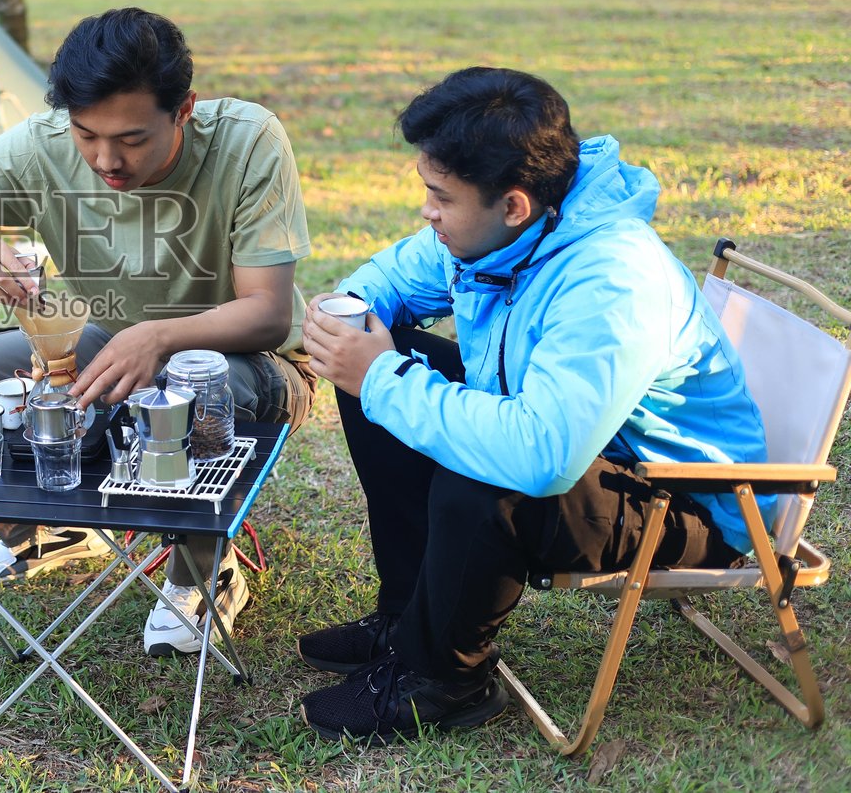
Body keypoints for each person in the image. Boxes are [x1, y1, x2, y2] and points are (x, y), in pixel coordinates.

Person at [295, 66, 769, 742]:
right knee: (389, 355)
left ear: (512, 204)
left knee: (482, 463)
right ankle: (408, 620)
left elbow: (542, 456)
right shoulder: (512, 226)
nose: (428, 212)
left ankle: (446, 682)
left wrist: (380, 378)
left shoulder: (611, 279)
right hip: (592, 448)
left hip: (690, 500)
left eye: (439, 197)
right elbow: (403, 269)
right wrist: (353, 314)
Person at [0, 6, 315, 656]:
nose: (106, 158)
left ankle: (203, 569)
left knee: (171, 385)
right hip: (113, 340)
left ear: (183, 109)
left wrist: (160, 337)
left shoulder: (248, 140)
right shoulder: (41, 146)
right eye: (86, 134)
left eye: (132, 138)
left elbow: (267, 311)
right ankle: (43, 532)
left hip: (256, 365)